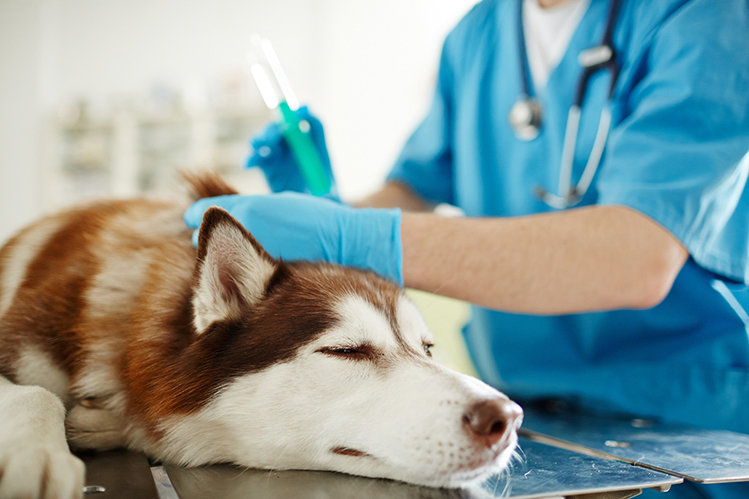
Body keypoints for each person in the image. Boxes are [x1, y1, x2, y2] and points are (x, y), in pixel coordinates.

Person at [185, 0, 749, 496]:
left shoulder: (700, 14)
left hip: (687, 415)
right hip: (526, 409)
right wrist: (326, 204)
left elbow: (635, 258)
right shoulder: (480, 33)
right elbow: (413, 189)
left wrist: (347, 233)